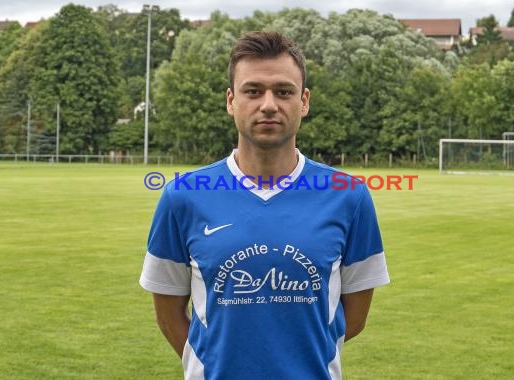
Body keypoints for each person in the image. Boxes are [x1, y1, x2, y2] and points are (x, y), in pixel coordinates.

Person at [139, 31, 390, 380]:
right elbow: (168, 315)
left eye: (283, 92)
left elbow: (354, 318)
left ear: (304, 101)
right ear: (231, 101)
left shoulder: (349, 195)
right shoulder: (182, 196)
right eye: (253, 91)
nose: (269, 104)